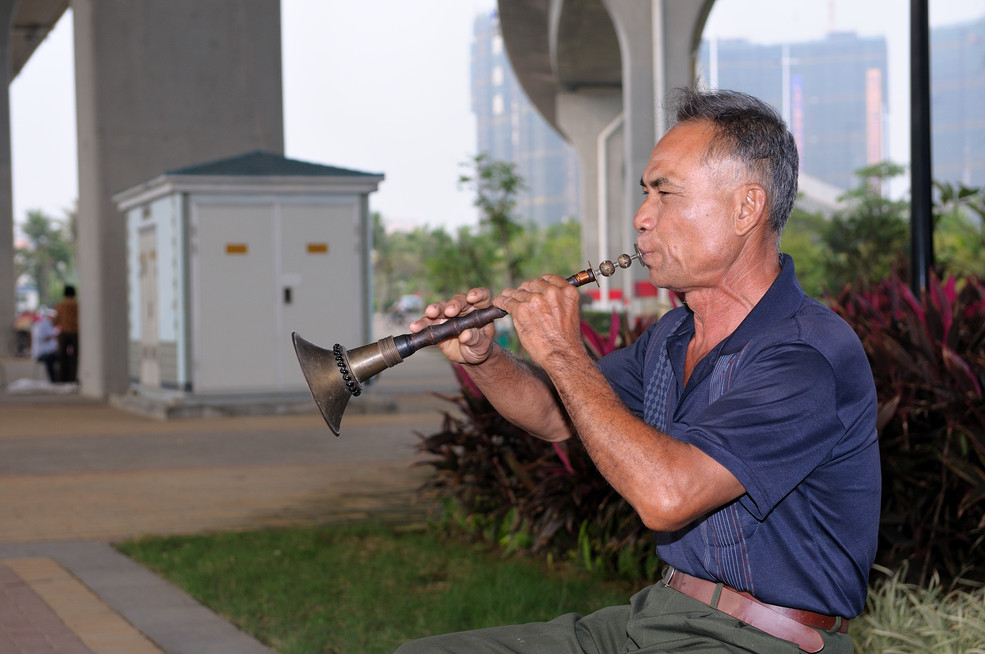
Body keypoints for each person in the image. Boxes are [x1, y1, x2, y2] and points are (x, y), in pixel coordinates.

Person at [399, 87, 880, 653]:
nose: (642, 217)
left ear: (746, 208)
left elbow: (667, 497)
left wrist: (562, 351)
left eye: (666, 194)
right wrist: (486, 357)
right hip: (661, 615)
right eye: (646, 193)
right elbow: (559, 415)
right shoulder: (674, 337)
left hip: (759, 640)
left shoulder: (806, 357)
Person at [53, 285, 79, 383]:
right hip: (75, 333)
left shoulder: (60, 305)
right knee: (74, 357)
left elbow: (56, 321)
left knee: (62, 357)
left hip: (64, 333)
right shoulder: (78, 304)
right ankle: (72, 378)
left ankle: (61, 379)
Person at [31, 308, 59, 383]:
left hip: (50, 351)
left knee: (61, 356)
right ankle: (53, 380)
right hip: (42, 353)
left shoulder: (51, 326)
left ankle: (60, 378)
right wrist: (53, 335)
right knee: (50, 358)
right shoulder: (41, 325)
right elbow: (42, 338)